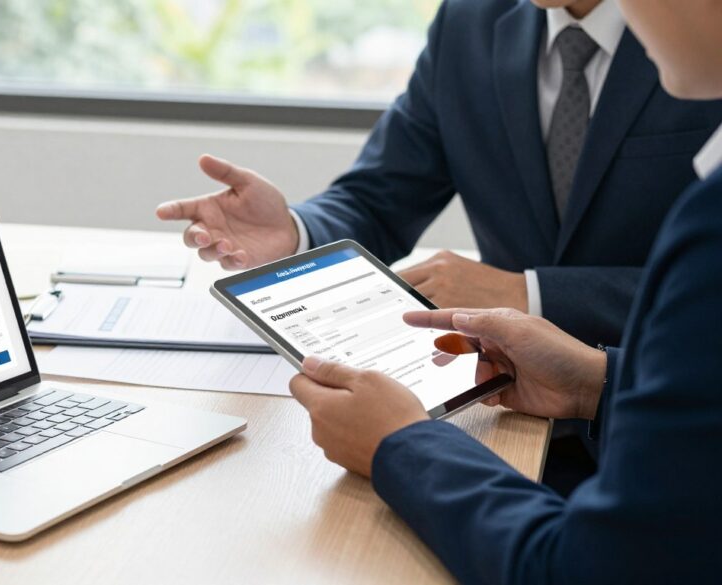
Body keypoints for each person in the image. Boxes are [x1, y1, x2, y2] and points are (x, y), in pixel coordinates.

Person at [286, 0, 722, 581]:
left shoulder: (709, 218)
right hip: (559, 416)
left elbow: (591, 569)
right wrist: (598, 382)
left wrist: (402, 443)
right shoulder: (470, 22)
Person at [156, 0, 722, 347]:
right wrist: (297, 232)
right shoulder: (468, 22)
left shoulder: (699, 40)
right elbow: (379, 197)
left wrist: (533, 295)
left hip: (660, 399)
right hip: (503, 398)